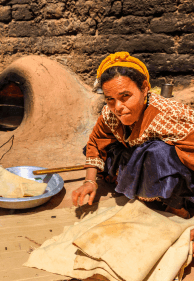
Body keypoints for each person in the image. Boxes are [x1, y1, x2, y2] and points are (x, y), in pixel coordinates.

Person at [72, 51, 194, 220]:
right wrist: (89, 181)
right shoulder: (110, 113)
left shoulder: (167, 116)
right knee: (110, 148)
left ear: (144, 88)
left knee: (158, 152)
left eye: (125, 96)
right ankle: (139, 185)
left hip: (169, 169)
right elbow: (95, 142)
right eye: (110, 99)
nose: (118, 107)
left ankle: (176, 205)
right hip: (137, 155)